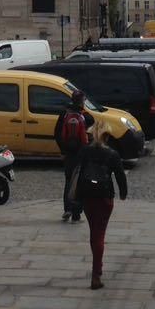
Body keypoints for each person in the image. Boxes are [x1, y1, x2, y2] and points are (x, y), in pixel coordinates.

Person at [74, 120, 128, 289]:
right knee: (100, 234)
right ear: (107, 136)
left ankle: (97, 265)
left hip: (87, 196)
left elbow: (77, 172)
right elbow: (120, 175)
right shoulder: (112, 154)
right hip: (104, 197)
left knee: (94, 232)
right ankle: (96, 274)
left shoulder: (84, 151)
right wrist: (123, 193)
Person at [54, 89, 92, 222]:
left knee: (69, 181)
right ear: (82, 101)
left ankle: (67, 209)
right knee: (79, 182)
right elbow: (91, 124)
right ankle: (76, 214)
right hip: (80, 153)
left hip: (68, 154)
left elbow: (57, 133)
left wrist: (63, 151)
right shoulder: (83, 115)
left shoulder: (65, 114)